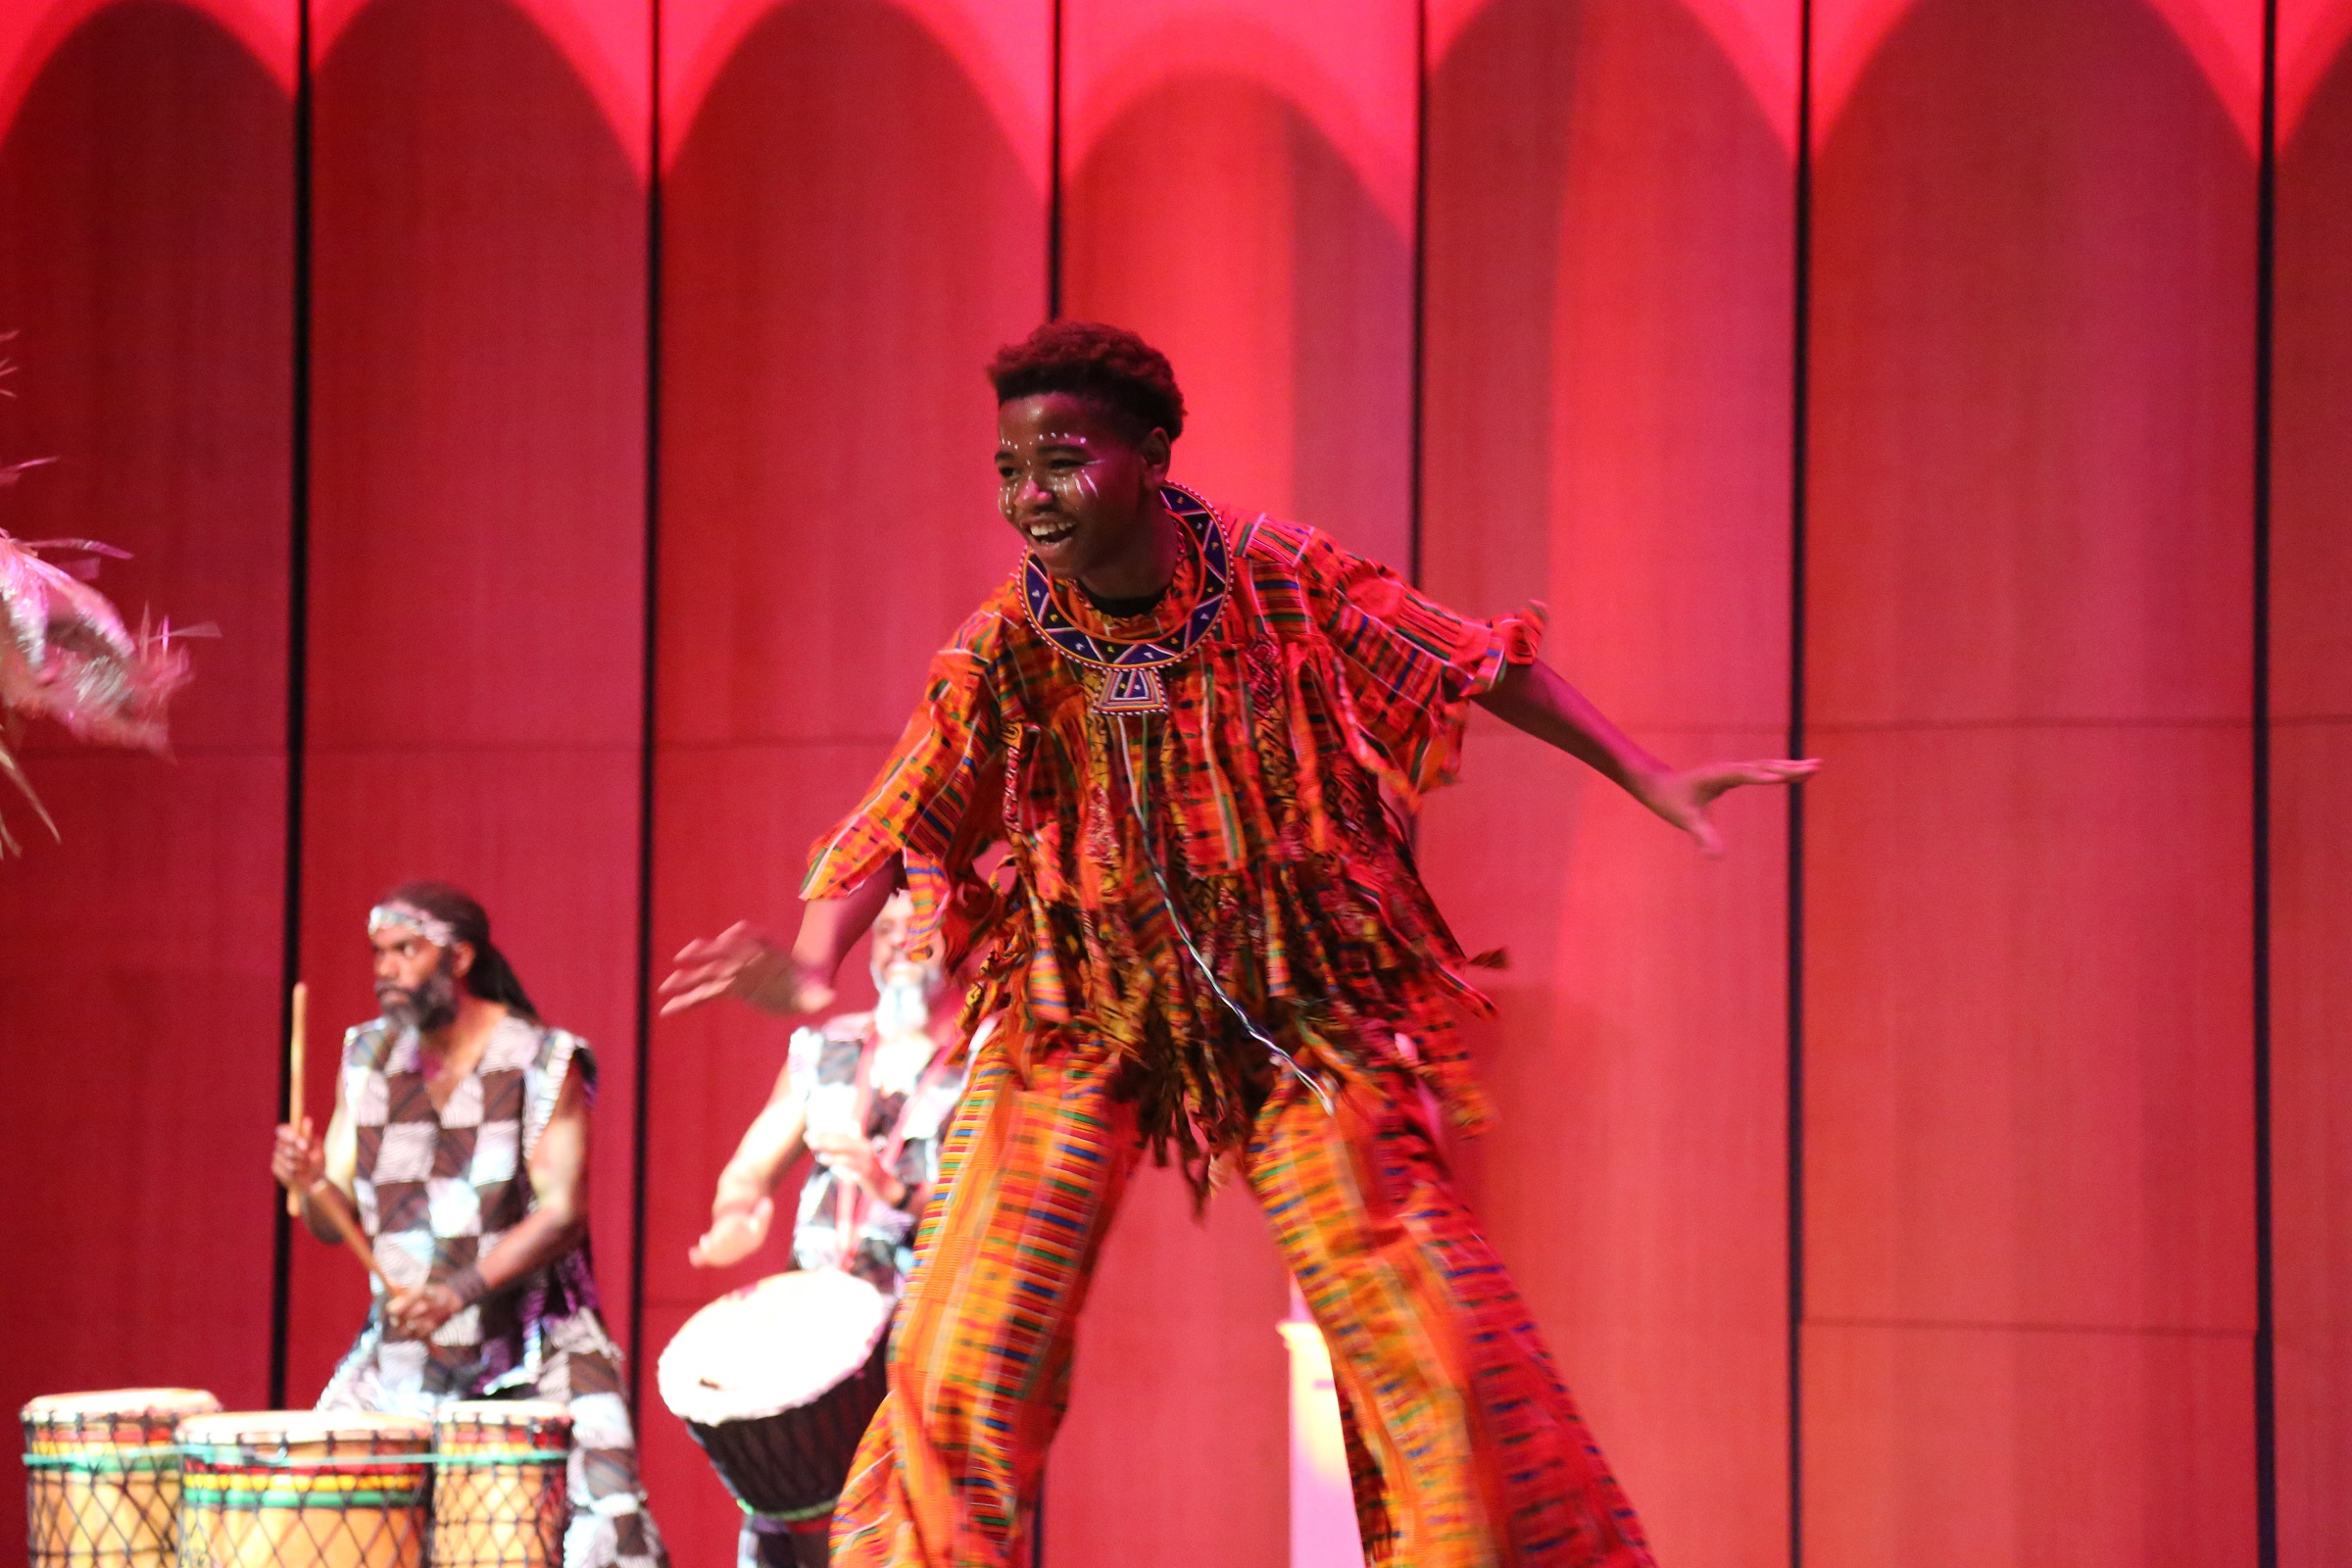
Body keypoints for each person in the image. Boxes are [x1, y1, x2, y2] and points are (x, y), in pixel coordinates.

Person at [661, 320, 1817, 1568]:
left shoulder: (1279, 578)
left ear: (1153, 450)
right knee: (962, 1349)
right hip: (1079, 1013)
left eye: (1062, 458)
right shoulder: (1008, 641)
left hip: (1301, 1014)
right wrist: (816, 958)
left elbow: (1467, 660)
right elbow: (905, 807)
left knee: (1429, 1345)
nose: (1029, 496)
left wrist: (1649, 777)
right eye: (1009, 469)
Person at [272, 882, 667, 1568]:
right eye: (377, 954)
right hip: (407, 1353)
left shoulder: (543, 1059)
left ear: (458, 959)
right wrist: (309, 1184)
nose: (385, 970)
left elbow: (562, 1214)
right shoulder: (367, 1058)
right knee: (308, 1509)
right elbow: (329, 1221)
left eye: (405, 951)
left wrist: (459, 1290)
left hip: (538, 1347)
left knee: (610, 1527)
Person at [690, 889, 971, 1568]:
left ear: (961, 939)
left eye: (919, 930)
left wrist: (892, 1189)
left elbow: (986, 1207)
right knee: (789, 1529)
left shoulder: (984, 1055)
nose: (899, 946)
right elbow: (752, 1165)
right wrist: (738, 1212)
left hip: (922, 1333)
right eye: (883, 932)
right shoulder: (828, 1048)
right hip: (819, 1333)